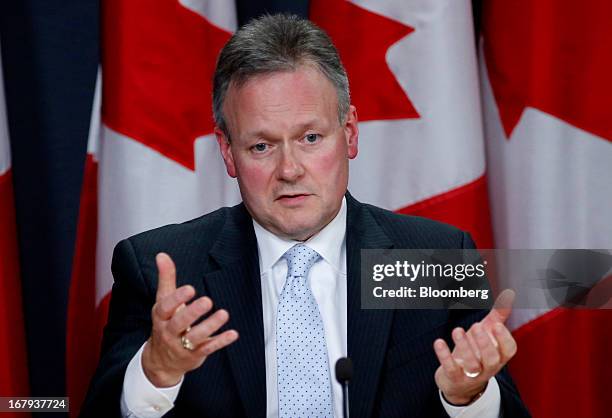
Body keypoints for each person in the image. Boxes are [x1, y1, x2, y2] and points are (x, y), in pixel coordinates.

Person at [80, 14, 530, 418]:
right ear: (227, 152)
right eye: (261, 146)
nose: (289, 170)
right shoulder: (165, 271)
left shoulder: (434, 259)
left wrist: (468, 398)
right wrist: (156, 374)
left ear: (349, 134)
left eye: (310, 137)